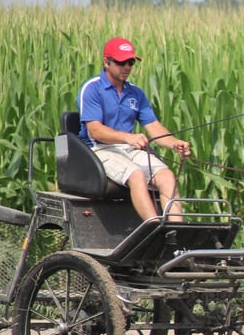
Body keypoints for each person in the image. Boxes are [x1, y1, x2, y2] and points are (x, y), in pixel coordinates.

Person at [77, 37, 191, 222]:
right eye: (121, 62)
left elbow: (154, 128)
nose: (127, 67)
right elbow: (96, 130)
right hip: (99, 149)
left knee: (167, 176)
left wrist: (174, 143)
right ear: (106, 62)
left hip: (130, 150)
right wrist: (127, 138)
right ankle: (153, 230)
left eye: (130, 62)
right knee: (136, 174)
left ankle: (176, 233)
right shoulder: (92, 89)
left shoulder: (136, 92)